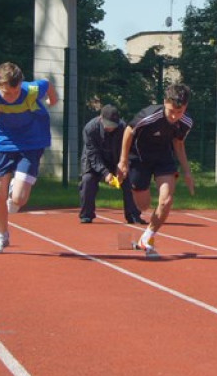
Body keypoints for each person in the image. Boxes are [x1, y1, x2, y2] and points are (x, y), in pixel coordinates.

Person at [0, 61, 57, 254]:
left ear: (21, 84)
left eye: (15, 93)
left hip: (31, 143)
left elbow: (48, 86)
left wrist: (52, 101)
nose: (11, 97)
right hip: (4, 144)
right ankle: (2, 236)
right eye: (6, 93)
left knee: (18, 200)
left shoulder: (31, 90)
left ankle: (15, 191)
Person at [118, 83, 195, 258]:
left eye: (180, 112)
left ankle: (148, 237)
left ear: (186, 107)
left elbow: (178, 143)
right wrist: (123, 161)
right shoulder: (149, 116)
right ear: (165, 102)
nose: (175, 116)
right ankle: (141, 193)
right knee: (143, 205)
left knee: (166, 200)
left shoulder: (186, 122)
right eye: (171, 111)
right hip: (139, 158)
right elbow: (128, 132)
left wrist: (187, 171)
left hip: (163, 159)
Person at [78, 104, 144, 224]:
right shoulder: (90, 129)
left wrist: (122, 165)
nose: (111, 128)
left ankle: (133, 214)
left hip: (116, 160)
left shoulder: (123, 128)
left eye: (114, 125)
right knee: (87, 180)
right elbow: (92, 154)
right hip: (93, 161)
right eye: (108, 125)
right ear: (100, 119)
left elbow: (127, 148)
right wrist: (105, 173)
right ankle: (86, 214)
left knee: (129, 180)